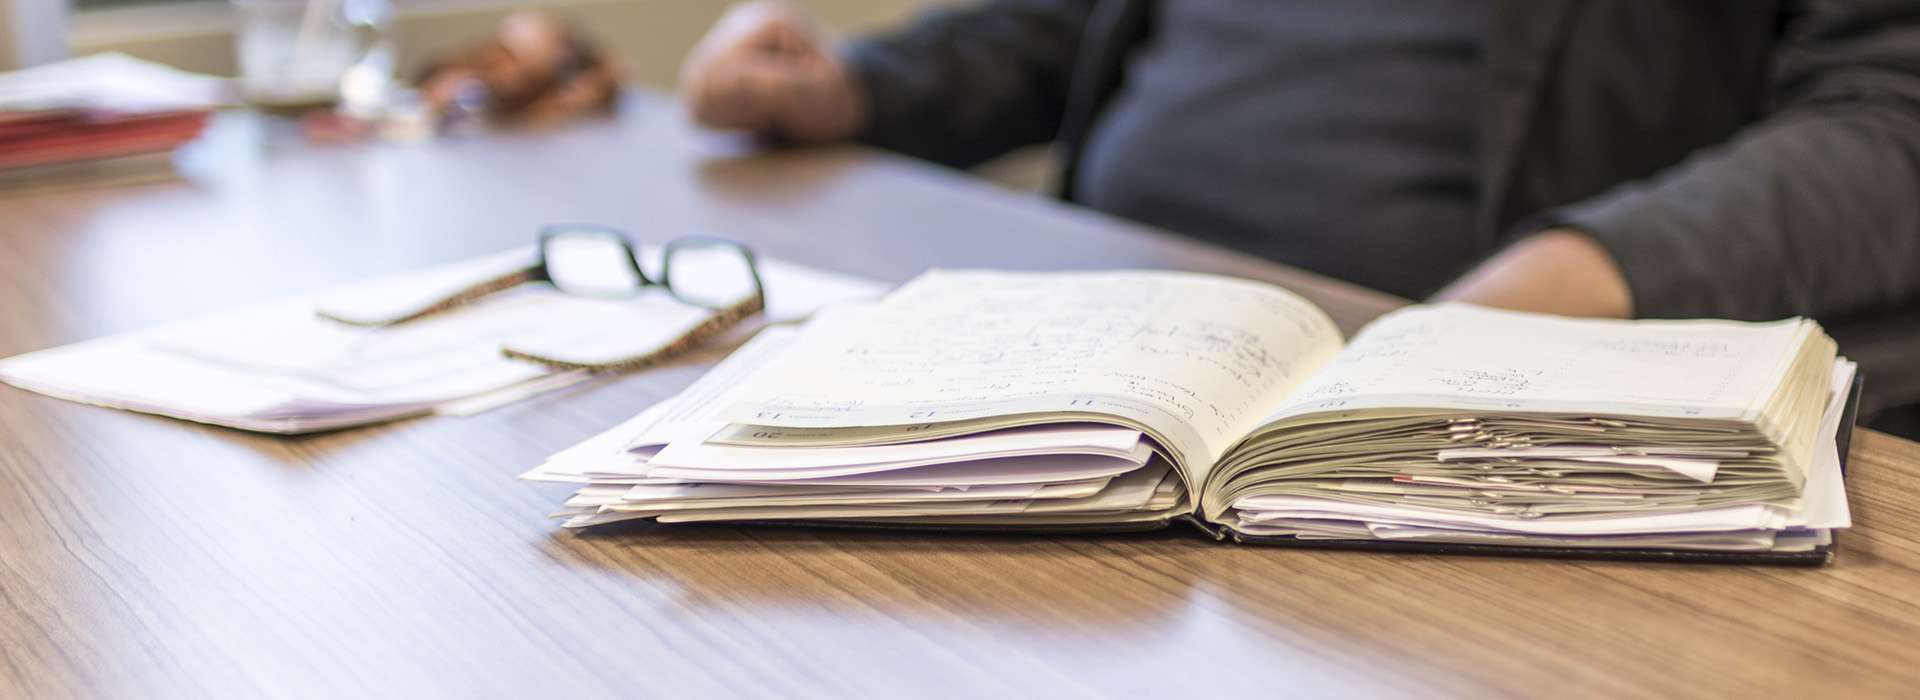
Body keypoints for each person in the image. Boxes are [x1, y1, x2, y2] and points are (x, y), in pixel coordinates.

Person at [678, 0, 1920, 427]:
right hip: (1100, 357)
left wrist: (1585, 272)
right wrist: (857, 84)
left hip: (1454, 413)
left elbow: (1892, 116)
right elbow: (1071, 31)